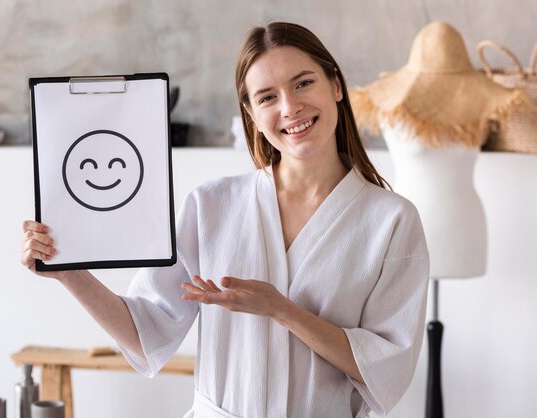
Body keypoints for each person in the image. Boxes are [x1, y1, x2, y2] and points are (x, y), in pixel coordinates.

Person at [21, 22, 429, 418]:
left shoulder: (391, 221)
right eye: (267, 97)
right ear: (251, 113)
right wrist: (65, 270)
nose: (290, 107)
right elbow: (146, 334)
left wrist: (281, 310)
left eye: (303, 83)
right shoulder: (211, 205)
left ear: (335, 85)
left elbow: (387, 368)